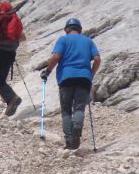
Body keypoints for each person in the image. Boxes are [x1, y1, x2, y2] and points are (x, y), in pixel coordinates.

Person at [40, 18, 101, 150]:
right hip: (84, 78)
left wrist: (47, 71)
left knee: (66, 110)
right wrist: (90, 74)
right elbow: (97, 59)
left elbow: (56, 57)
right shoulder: (88, 41)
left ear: (67, 29)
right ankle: (77, 128)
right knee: (79, 108)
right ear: (79, 29)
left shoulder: (63, 40)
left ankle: (69, 141)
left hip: (66, 78)